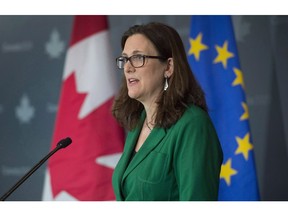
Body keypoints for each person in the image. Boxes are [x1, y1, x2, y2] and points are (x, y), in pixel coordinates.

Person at [111, 22, 223, 201]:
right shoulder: (138, 124)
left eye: (138, 58)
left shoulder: (192, 125)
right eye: (124, 59)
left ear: (168, 67)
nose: (127, 67)